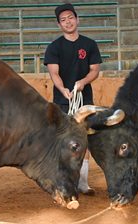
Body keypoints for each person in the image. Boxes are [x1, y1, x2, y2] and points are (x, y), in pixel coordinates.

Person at [44, 3, 102, 195]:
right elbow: (55, 74)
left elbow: (94, 70)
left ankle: (83, 183)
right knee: (62, 141)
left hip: (83, 101)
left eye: (70, 18)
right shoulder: (54, 47)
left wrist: (83, 82)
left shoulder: (89, 44)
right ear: (59, 25)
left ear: (77, 19)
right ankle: (62, 182)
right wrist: (63, 89)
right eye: (63, 20)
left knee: (83, 140)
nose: (67, 22)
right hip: (63, 101)